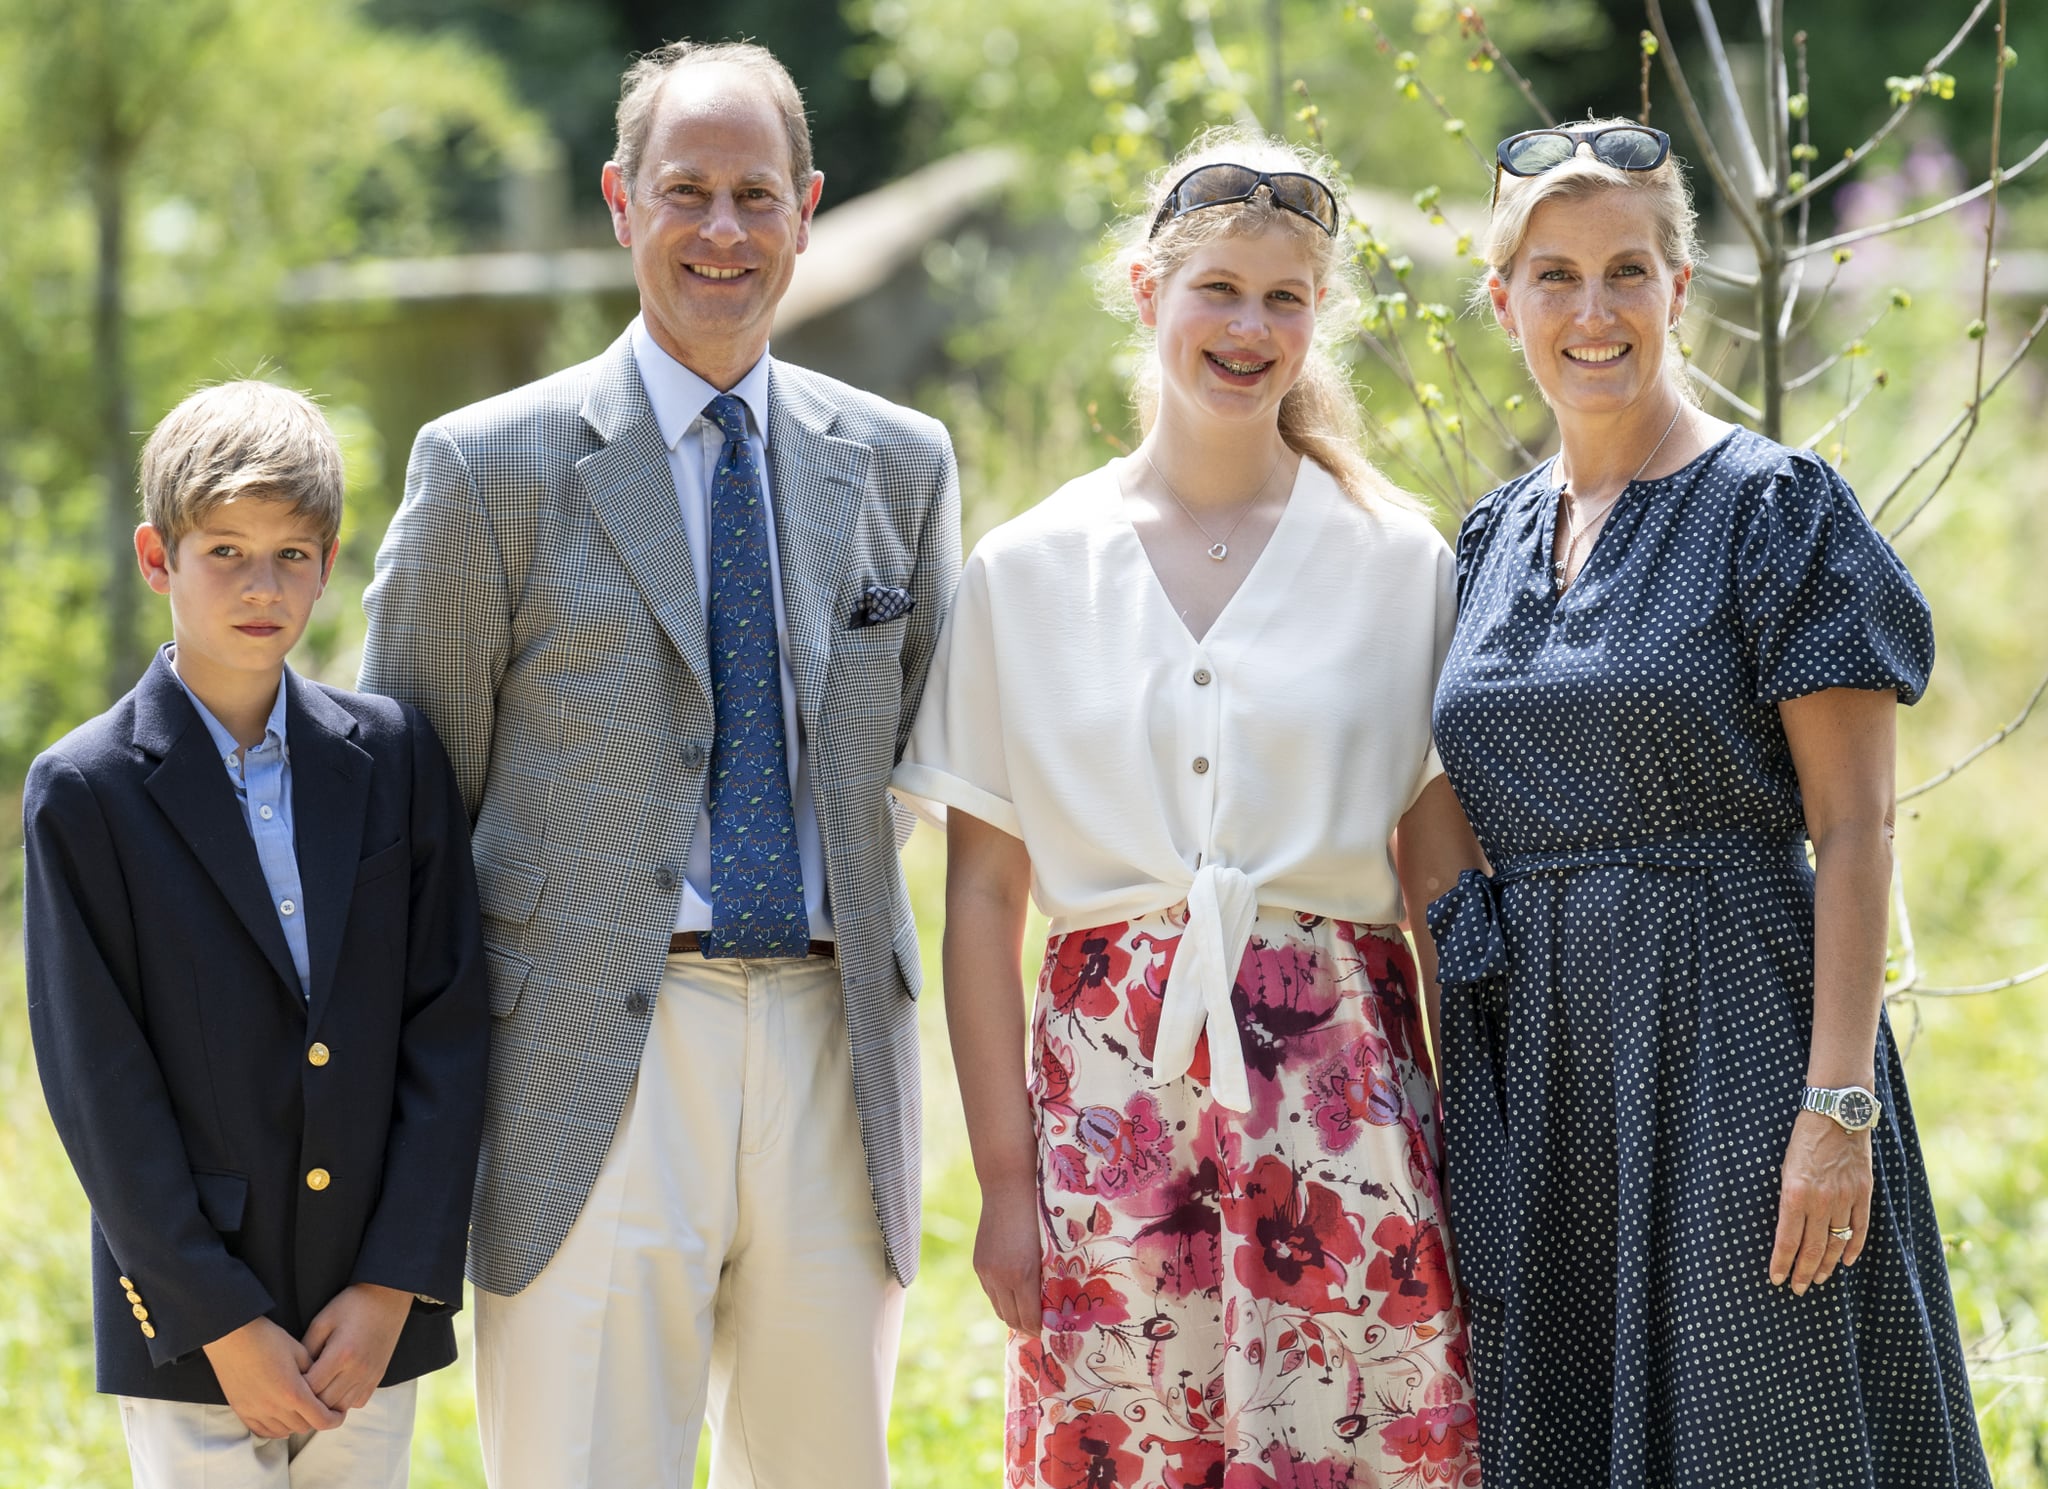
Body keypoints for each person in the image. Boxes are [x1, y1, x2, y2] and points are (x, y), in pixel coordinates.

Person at [357, 39, 960, 1489]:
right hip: (583, 1069)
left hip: (834, 1053)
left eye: (757, 194)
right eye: (686, 191)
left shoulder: (901, 463)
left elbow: (931, 768)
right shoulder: (487, 466)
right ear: (622, 202)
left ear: (808, 207)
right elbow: (402, 815)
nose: (722, 231)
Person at [895, 128, 1485, 1488]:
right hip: (1107, 1108)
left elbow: (1440, 887)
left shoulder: (1399, 562)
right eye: (1218, 288)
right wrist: (1001, 1185)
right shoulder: (1027, 568)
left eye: (1286, 298)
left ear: (1318, 319)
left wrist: (1471, 1153)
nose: (1249, 326)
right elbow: (984, 897)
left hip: (1348, 1108)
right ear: (1146, 291)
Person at [1426, 118, 1992, 1484]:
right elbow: (1435, 798)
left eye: (1630, 269)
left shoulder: (1775, 509)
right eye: (1552, 275)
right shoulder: (1489, 536)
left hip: (1740, 1037)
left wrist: (1837, 1107)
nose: (1594, 309)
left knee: (1764, 1431)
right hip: (1545, 1062)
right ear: (1503, 301)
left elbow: (1853, 827)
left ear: (1681, 290)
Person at [22, 380, 489, 1489]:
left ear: (329, 563)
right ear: (156, 558)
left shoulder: (393, 758)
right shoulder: (83, 791)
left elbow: (448, 1026)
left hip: (362, 1321)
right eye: (224, 551)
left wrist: (390, 1288)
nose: (260, 585)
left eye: (290, 554)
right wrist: (219, 1318)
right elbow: (99, 1082)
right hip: (194, 1323)